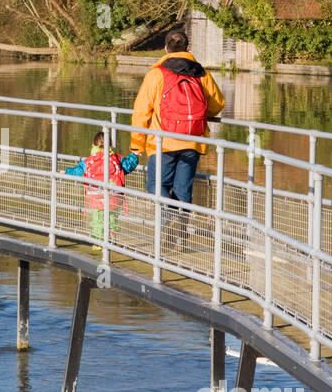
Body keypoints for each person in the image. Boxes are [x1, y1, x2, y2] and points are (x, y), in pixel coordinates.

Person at [130, 30, 224, 243]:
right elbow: (218, 103)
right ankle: (179, 238)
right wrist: (199, 116)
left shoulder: (156, 74)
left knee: (156, 185)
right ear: (188, 49)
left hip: (163, 141)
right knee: (182, 190)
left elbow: (141, 112)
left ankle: (168, 222)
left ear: (165, 49)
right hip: (193, 140)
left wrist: (137, 145)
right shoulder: (201, 73)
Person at [65, 130, 139, 249]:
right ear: (110, 145)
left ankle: (98, 241)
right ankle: (111, 236)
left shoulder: (88, 161)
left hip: (96, 196)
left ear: (93, 146)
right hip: (114, 196)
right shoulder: (117, 159)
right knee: (112, 216)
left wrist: (66, 172)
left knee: (98, 218)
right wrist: (134, 155)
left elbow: (77, 172)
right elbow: (129, 165)